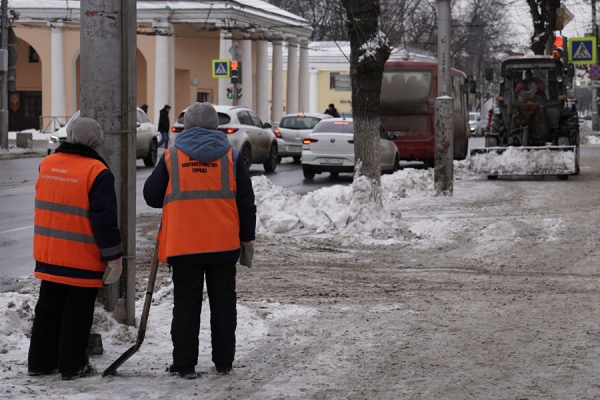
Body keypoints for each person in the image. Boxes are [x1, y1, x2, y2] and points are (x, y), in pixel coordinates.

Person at [143, 102, 256, 379]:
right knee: (223, 305)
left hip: (184, 246)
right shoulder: (231, 157)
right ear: (216, 127)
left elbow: (151, 197)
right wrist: (247, 240)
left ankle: (184, 364)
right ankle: (224, 362)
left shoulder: (172, 157)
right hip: (223, 246)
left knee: (185, 307)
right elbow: (246, 203)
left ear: (187, 126)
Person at [28, 117, 123, 381]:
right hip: (81, 258)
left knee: (47, 310)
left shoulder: (47, 164)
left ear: (69, 135)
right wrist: (114, 258)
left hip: (49, 254)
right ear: (97, 141)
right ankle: (72, 366)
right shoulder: (97, 171)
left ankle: (40, 362)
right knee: (77, 314)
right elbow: (104, 220)